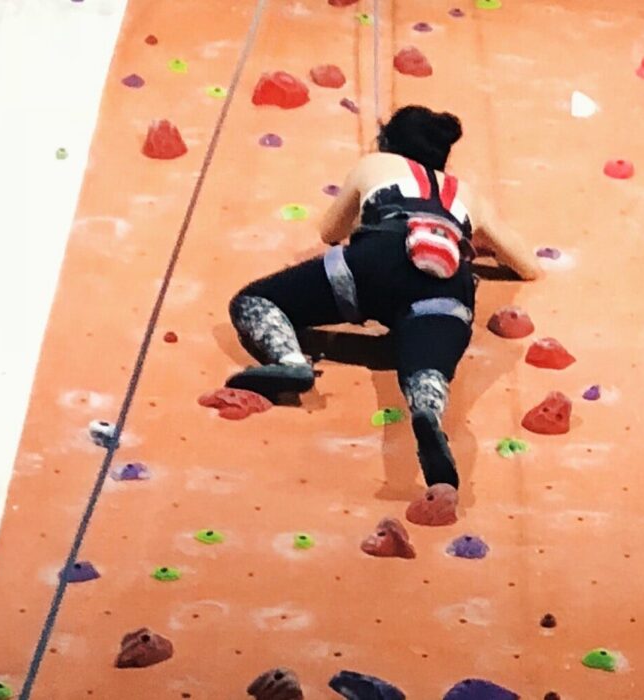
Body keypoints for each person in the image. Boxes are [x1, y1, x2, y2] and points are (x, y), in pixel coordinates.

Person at [225, 105, 542, 520]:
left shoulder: (375, 164)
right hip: (446, 286)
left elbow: (330, 232)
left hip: (371, 265)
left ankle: (290, 361)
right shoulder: (469, 195)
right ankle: (427, 411)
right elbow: (528, 266)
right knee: (428, 370)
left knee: (255, 302)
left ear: (388, 141)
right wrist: (472, 243)